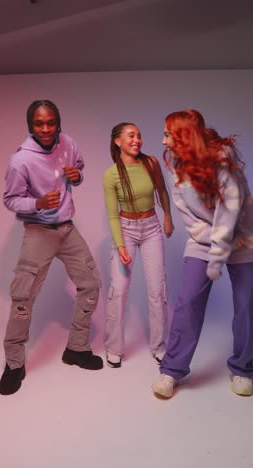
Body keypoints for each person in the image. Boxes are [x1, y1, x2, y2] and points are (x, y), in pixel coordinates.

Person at [0, 99, 103, 396]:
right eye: (39, 124)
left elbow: (78, 168)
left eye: (51, 123)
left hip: (67, 230)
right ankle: (14, 364)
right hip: (39, 231)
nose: (46, 129)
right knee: (23, 298)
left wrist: (77, 176)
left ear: (59, 123)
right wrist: (37, 203)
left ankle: (76, 348)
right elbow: (10, 199)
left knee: (91, 284)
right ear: (30, 126)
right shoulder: (20, 160)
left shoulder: (68, 142)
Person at [152, 109, 253, 398]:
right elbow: (191, 220)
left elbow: (232, 205)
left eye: (168, 134)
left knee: (247, 304)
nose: (163, 142)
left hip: (243, 237)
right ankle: (171, 371)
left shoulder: (224, 157)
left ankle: (244, 369)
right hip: (203, 240)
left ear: (184, 136)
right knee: (187, 303)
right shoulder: (175, 168)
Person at [103, 122, 174, 368]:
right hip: (125, 230)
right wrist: (121, 245)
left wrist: (167, 217)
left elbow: (163, 192)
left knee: (157, 290)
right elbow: (113, 215)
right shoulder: (111, 174)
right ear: (118, 141)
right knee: (119, 291)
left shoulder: (151, 163)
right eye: (131, 136)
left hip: (151, 227)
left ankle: (159, 346)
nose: (137, 140)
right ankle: (114, 348)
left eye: (139, 135)